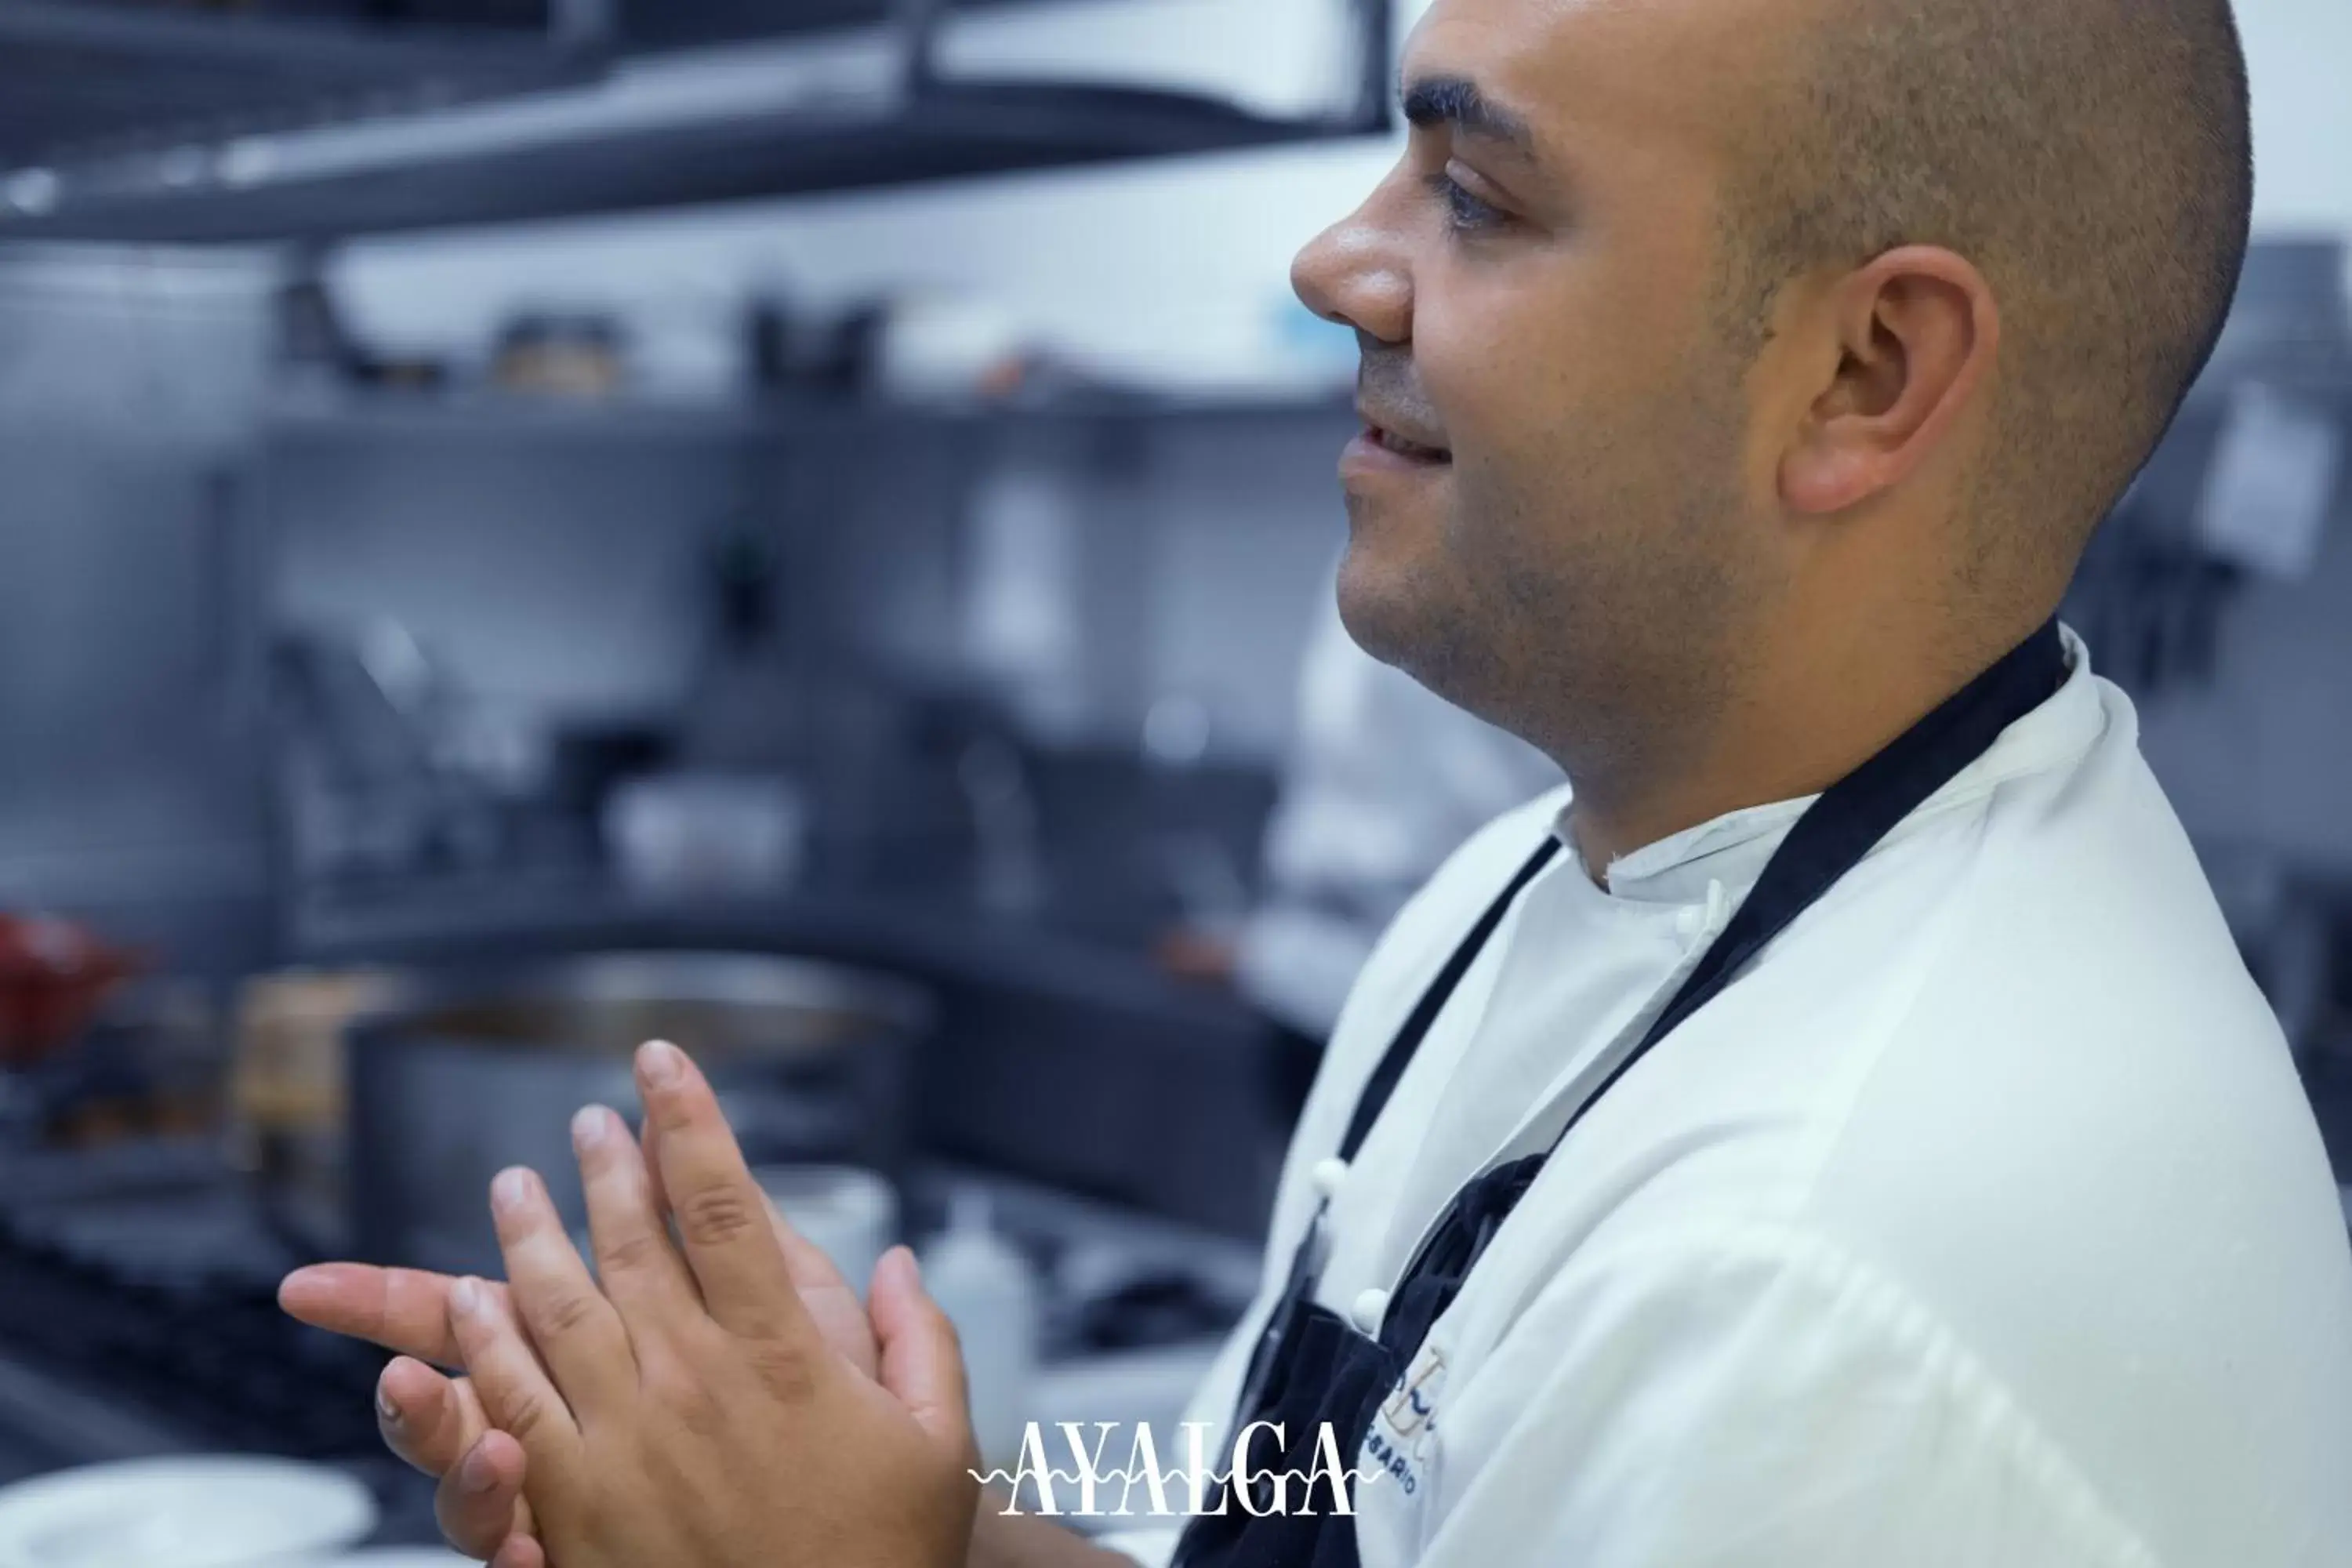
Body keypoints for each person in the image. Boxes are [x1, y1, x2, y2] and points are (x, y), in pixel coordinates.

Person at [281, 0, 2352, 1563]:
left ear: (1864, 374)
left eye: (1476, 194)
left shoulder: (1832, 1299)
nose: (1335, 265)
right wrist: (873, 1505)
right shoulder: (1515, 904)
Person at [1160, 569, 1559, 1122]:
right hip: (1311, 1006)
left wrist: (1265, 952)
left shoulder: (1514, 572)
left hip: (1437, 1021)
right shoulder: (1360, 556)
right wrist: (1269, 950)